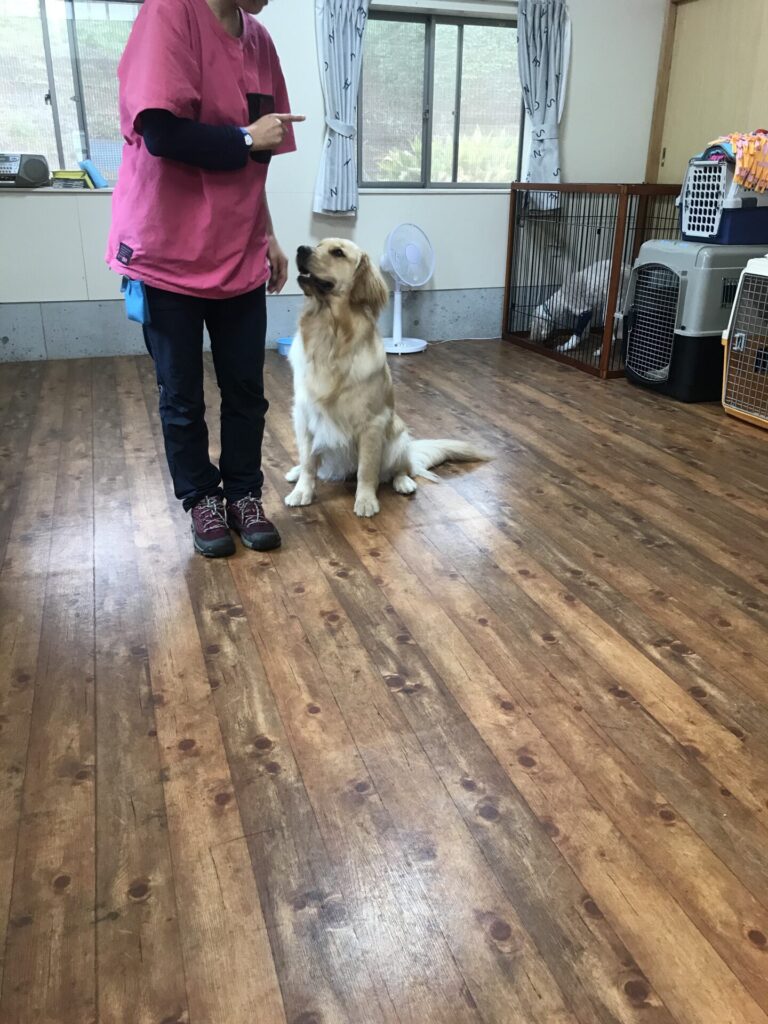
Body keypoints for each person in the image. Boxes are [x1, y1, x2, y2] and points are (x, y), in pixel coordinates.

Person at [107, 0, 303, 557]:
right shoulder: (169, 13)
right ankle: (201, 499)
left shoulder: (259, 40)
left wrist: (268, 233)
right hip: (166, 251)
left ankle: (243, 494)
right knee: (182, 394)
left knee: (246, 390)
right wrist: (244, 138)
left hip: (237, 248)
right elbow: (162, 134)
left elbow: (257, 158)